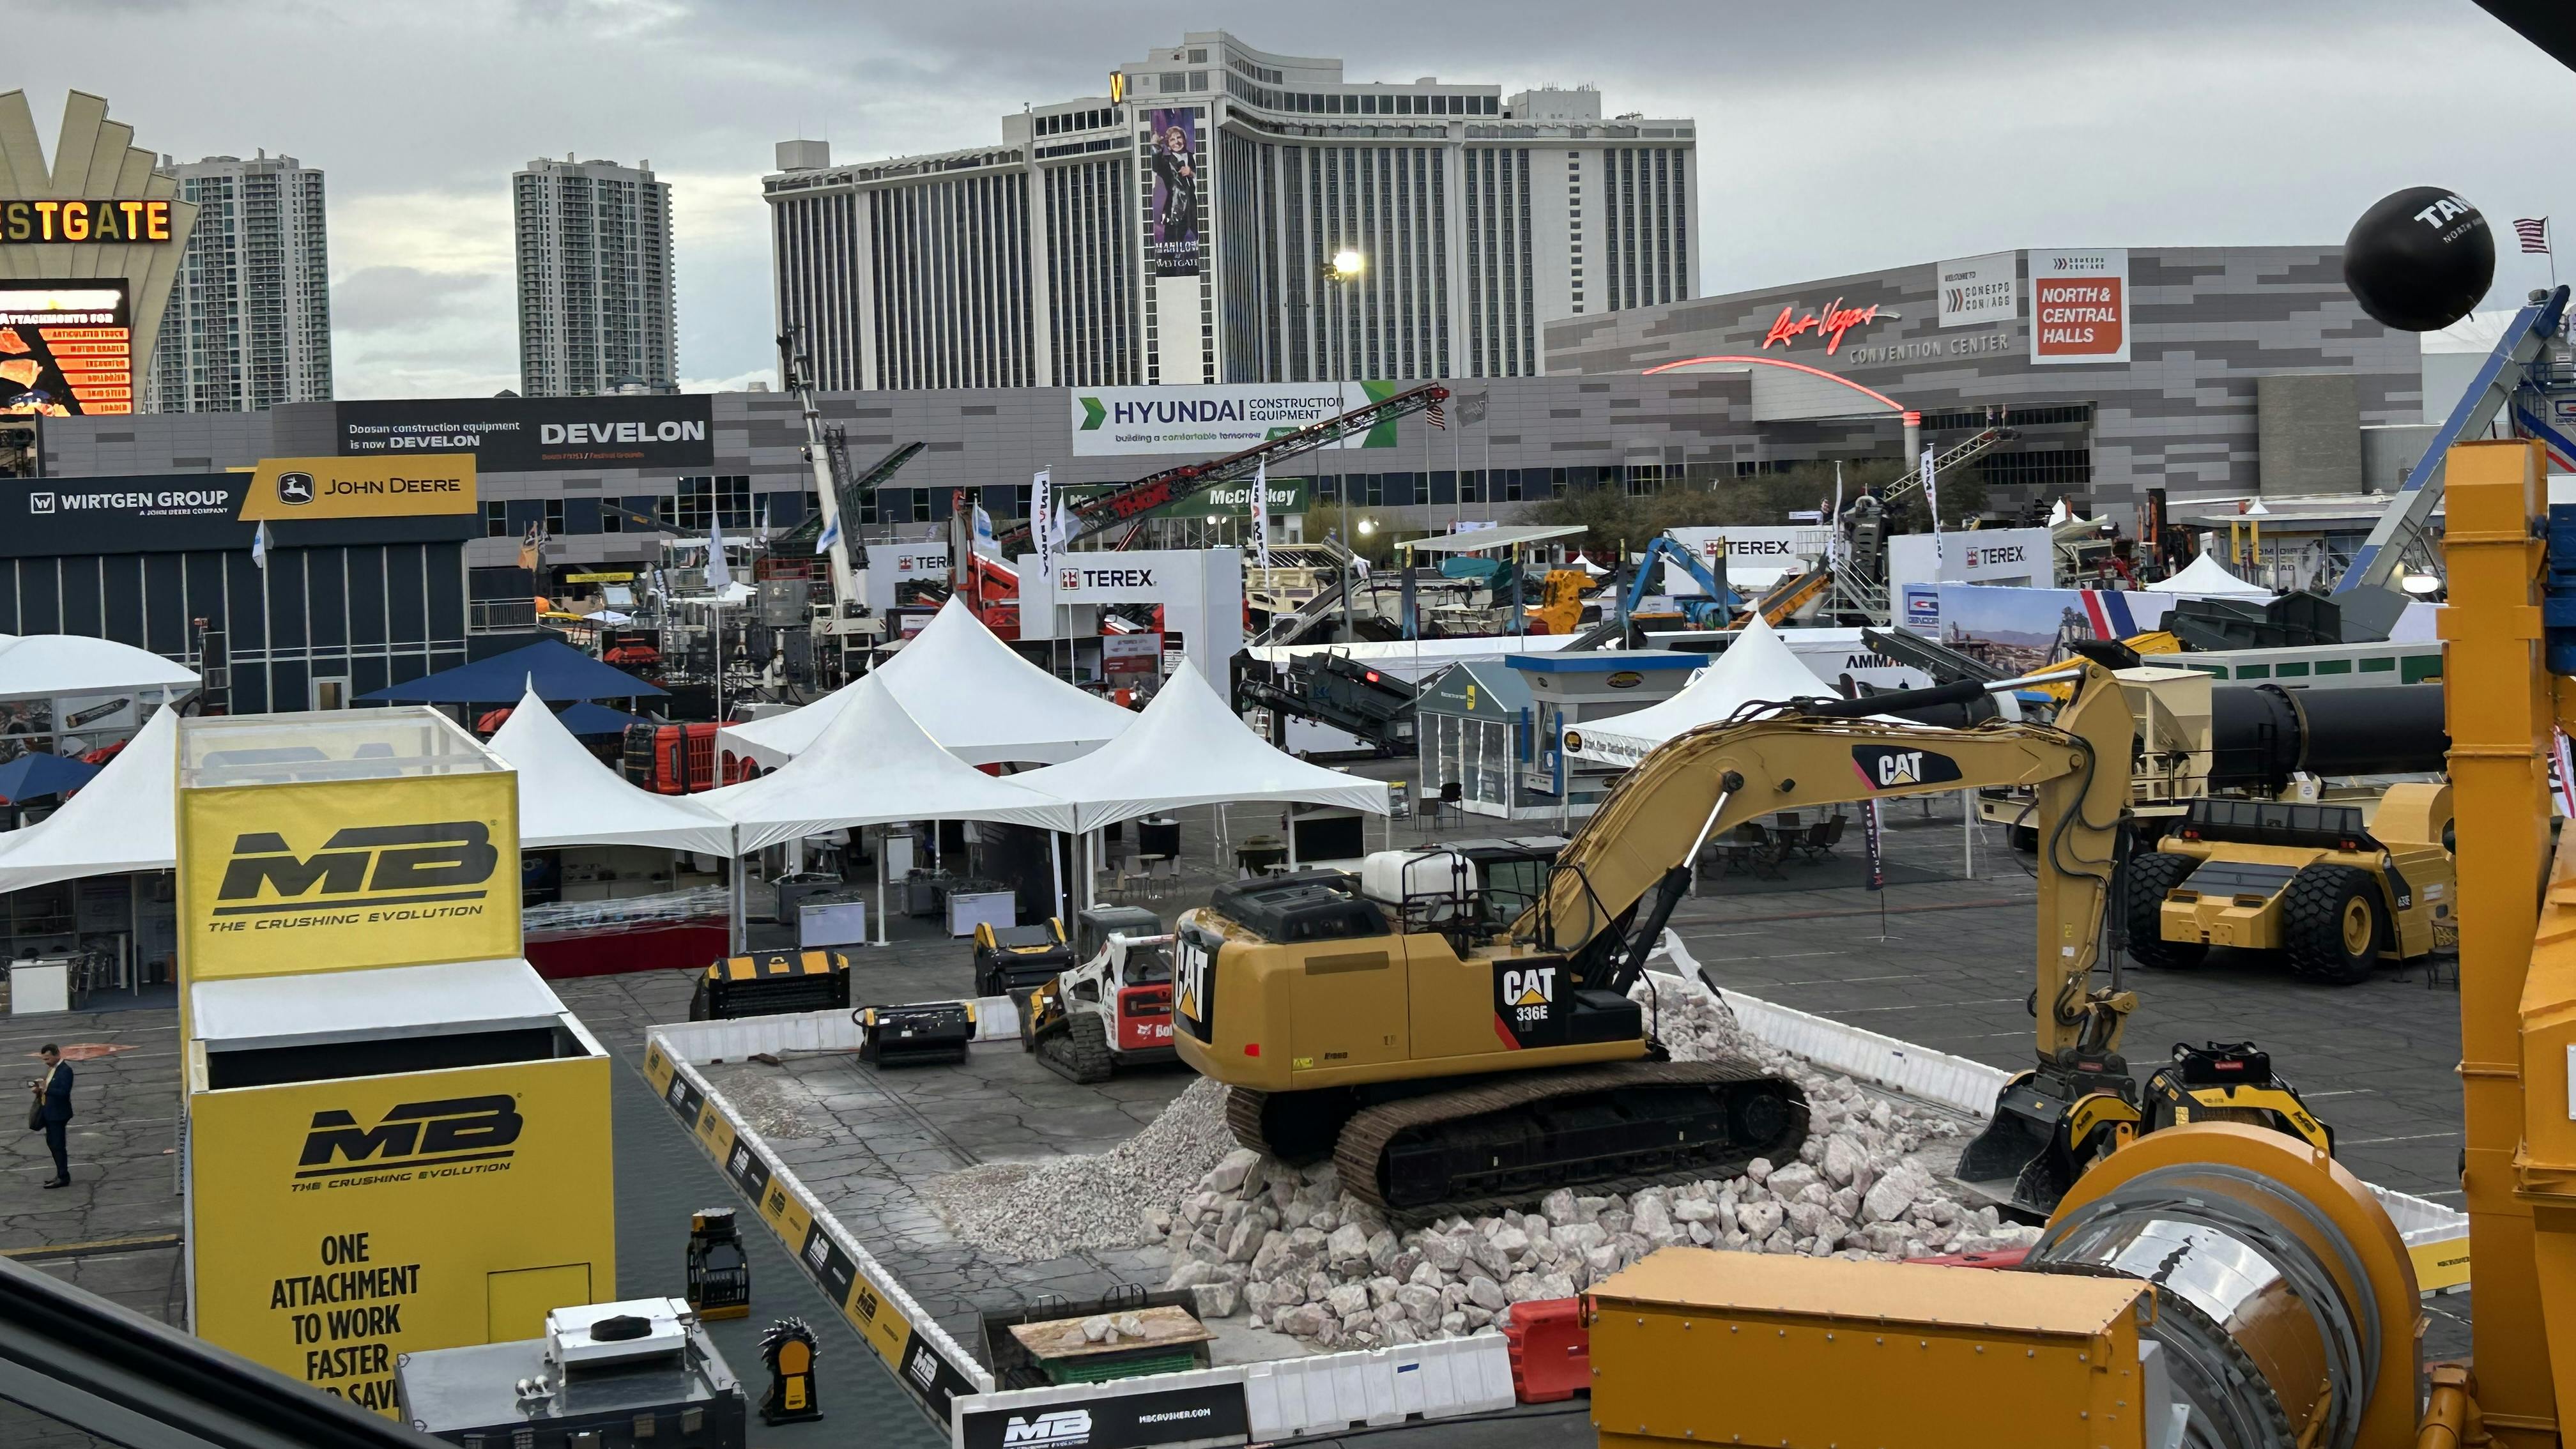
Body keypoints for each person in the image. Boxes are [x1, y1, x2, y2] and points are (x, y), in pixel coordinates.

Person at [29, 1043, 71, 1188]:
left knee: (58, 1145)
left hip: (58, 1114)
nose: (45, 1062)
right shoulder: (53, 1069)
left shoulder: (65, 1071)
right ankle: (60, 1174)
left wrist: (46, 1089)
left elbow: (64, 1092)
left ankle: (63, 1177)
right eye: (44, 1059)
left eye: (47, 1059)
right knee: (52, 1144)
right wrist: (39, 1089)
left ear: (57, 1055)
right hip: (49, 1112)